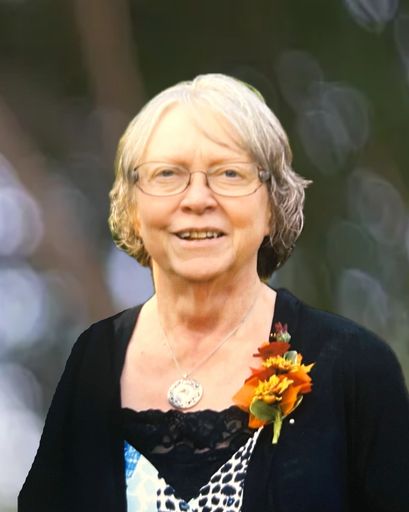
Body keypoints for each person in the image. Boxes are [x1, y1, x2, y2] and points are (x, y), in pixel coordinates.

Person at [19, 74, 409, 512]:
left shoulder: (355, 367)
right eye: (168, 174)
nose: (198, 199)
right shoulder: (93, 360)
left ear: (272, 207)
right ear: (133, 210)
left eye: (229, 173)